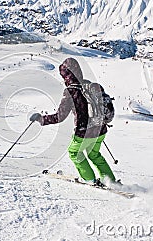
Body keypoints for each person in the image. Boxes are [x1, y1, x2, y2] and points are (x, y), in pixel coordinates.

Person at [30, 57, 116, 185]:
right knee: (94, 154)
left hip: (83, 132)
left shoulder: (70, 91)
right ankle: (109, 181)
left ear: (67, 75)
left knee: (75, 153)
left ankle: (88, 179)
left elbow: (60, 116)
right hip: (101, 130)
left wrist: (41, 119)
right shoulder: (90, 85)